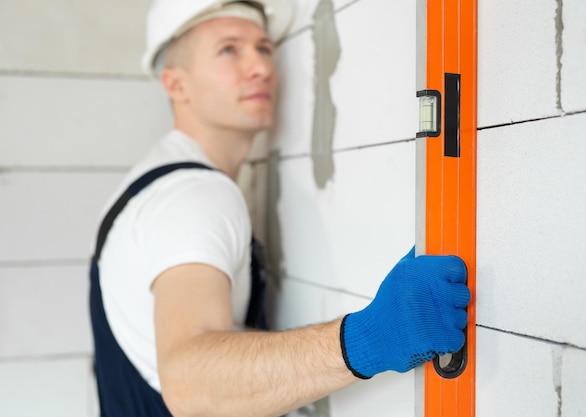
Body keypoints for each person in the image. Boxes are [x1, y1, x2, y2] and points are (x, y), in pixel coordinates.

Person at [88, 1, 471, 416]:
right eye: (229, 49)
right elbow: (188, 383)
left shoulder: (148, 186)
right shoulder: (194, 196)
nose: (260, 67)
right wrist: (371, 337)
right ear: (176, 84)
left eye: (264, 48)